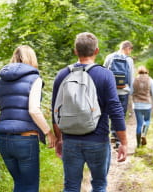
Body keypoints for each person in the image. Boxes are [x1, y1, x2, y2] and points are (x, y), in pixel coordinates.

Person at [52, 32, 127, 192]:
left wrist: (59, 139)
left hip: (70, 141)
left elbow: (55, 111)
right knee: (99, 185)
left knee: (71, 186)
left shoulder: (62, 75)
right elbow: (115, 110)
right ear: (97, 51)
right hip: (98, 140)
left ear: (75, 51)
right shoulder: (105, 74)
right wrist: (123, 143)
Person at [0, 45, 56, 192]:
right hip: (25, 140)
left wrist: (4, 124)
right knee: (30, 186)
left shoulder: (0, 81)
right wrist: (48, 132)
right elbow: (34, 110)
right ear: (32, 58)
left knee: (19, 183)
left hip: (4, 140)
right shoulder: (35, 79)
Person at [104, 40, 134, 148]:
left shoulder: (109, 57)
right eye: (130, 50)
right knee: (121, 114)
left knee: (111, 113)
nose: (129, 53)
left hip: (111, 91)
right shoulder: (129, 60)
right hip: (123, 91)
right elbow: (131, 76)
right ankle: (118, 140)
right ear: (127, 48)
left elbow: (104, 73)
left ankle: (113, 134)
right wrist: (130, 91)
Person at [132, 65, 153, 147]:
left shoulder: (134, 80)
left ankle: (138, 145)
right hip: (147, 105)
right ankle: (144, 134)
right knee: (147, 120)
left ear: (138, 72)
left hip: (137, 105)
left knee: (139, 124)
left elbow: (130, 92)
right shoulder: (150, 80)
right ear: (146, 72)